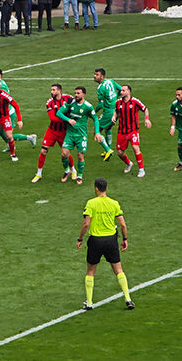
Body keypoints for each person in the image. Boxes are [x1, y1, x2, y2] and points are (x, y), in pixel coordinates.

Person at [77, 178, 134, 311]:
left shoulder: (91, 203)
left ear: (96, 188)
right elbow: (123, 224)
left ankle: (89, 303)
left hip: (96, 240)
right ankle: (128, 298)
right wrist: (125, 238)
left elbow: (86, 224)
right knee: (118, 270)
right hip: (111, 240)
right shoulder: (114, 203)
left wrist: (80, 239)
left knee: (90, 271)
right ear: (106, 188)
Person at [0, 68, 35, 151]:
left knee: (8, 135)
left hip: (7, 113)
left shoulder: (1, 86)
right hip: (0, 113)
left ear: (0, 75)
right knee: (1, 131)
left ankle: (29, 138)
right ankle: (10, 145)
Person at [56, 86, 99, 185]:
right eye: (75, 93)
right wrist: (68, 120)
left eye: (78, 93)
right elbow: (59, 113)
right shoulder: (70, 103)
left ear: (84, 94)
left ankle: (79, 176)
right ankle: (67, 171)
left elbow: (95, 119)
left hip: (81, 135)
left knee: (80, 156)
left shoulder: (88, 106)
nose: (76, 95)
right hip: (70, 134)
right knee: (64, 154)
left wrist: (97, 132)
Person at [32, 83, 73, 183]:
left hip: (63, 131)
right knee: (43, 151)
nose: (52, 92)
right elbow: (53, 118)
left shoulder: (69, 98)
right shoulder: (49, 102)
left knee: (66, 153)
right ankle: (39, 174)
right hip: (52, 131)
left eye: (54, 90)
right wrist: (68, 120)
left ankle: (73, 170)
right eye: (51, 90)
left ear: (59, 90)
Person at [114, 85, 151, 178]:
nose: (121, 92)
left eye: (123, 90)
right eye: (121, 90)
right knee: (119, 153)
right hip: (122, 131)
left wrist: (146, 119)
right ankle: (129, 163)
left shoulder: (135, 101)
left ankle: (141, 170)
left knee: (135, 147)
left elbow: (145, 109)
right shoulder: (118, 102)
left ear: (128, 91)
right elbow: (116, 111)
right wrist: (114, 116)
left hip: (133, 130)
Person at [93, 68, 121, 161]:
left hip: (109, 112)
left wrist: (93, 112)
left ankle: (108, 150)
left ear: (102, 76)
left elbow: (101, 104)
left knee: (97, 131)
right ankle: (108, 149)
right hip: (116, 110)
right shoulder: (111, 81)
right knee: (108, 129)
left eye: (97, 75)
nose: (94, 76)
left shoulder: (100, 88)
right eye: (94, 74)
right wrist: (115, 97)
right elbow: (121, 89)